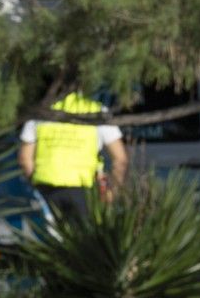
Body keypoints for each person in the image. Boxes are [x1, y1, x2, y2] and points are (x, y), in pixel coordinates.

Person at [17, 91, 128, 221]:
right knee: (83, 238)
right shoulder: (97, 111)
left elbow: (25, 159)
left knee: (52, 237)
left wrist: (34, 181)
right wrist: (111, 193)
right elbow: (120, 158)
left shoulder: (41, 112)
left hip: (46, 190)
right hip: (85, 191)